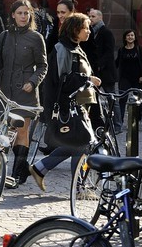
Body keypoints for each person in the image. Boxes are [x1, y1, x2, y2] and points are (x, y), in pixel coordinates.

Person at [32, 12, 100, 188]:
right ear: (75, 29)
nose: (89, 32)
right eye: (86, 28)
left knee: (78, 143)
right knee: (82, 142)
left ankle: (41, 168)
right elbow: (62, 80)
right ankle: (78, 186)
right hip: (69, 106)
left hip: (78, 104)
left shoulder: (75, 47)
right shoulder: (63, 49)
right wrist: (87, 80)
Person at [0, 0, 49, 187]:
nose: (23, 16)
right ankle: (15, 168)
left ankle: (15, 175)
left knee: (22, 131)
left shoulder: (36, 38)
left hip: (26, 90)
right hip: (5, 88)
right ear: (13, 15)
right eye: (19, 13)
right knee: (5, 129)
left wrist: (33, 81)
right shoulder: (4, 36)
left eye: (26, 13)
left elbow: (43, 66)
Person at [114, 28, 142, 122]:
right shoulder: (121, 50)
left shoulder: (139, 49)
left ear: (135, 37)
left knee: (138, 98)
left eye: (132, 35)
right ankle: (120, 120)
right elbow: (117, 63)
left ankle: (137, 118)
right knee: (122, 98)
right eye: (128, 35)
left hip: (137, 78)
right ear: (125, 38)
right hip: (125, 78)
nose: (130, 37)